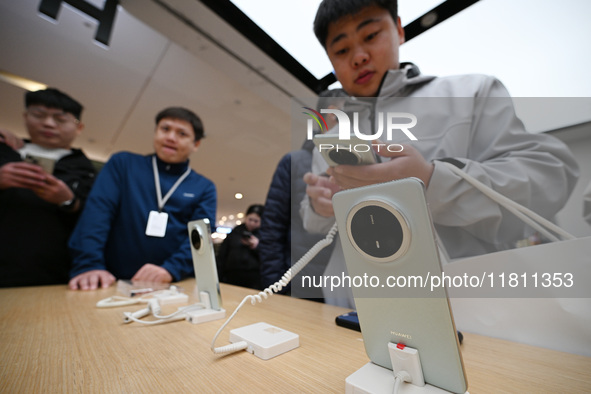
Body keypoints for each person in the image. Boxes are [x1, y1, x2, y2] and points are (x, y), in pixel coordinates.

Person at [302, 0, 579, 306]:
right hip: (353, 310)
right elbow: (315, 224)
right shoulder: (331, 137)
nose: (359, 57)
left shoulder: (471, 94)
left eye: (370, 36)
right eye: (341, 51)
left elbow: (551, 176)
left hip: (466, 309)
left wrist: (433, 180)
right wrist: (320, 206)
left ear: (398, 30)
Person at [68, 107, 216, 290]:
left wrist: (171, 269)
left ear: (196, 144)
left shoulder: (204, 187)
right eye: (165, 129)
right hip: (108, 279)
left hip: (170, 284)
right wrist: (89, 264)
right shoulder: (123, 164)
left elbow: (200, 238)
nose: (170, 137)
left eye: (182, 133)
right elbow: (97, 213)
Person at [0, 88, 96, 287]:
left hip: (51, 274)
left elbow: (95, 222)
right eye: (38, 115)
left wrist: (69, 201)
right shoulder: (5, 152)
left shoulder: (87, 171)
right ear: (25, 117)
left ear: (79, 127)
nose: (48, 123)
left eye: (60, 119)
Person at [258, 89, 345, 299]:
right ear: (332, 114)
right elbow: (272, 227)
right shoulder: (295, 161)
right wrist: (277, 285)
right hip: (301, 282)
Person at [217, 204, 264, 290]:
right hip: (231, 276)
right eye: (250, 219)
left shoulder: (265, 236)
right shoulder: (235, 232)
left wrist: (257, 246)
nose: (252, 223)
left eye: (256, 221)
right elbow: (222, 255)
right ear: (246, 217)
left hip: (254, 280)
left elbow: (269, 257)